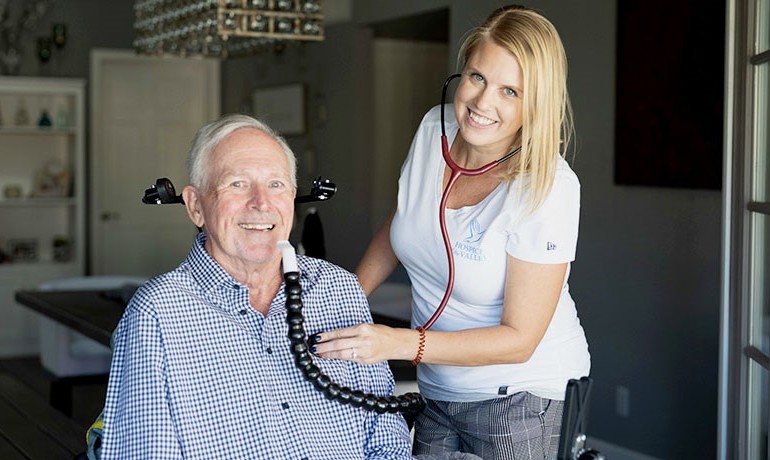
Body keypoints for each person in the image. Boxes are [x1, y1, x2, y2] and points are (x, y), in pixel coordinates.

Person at [312, 5, 590, 460]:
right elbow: (404, 223)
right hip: (439, 388)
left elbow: (520, 339)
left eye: (510, 91)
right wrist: (345, 297)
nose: (483, 103)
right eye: (477, 77)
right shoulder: (433, 129)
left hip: (522, 398)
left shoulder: (550, 186)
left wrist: (396, 342)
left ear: (535, 103)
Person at [100, 114, 415, 459]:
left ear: (293, 198)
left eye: (276, 185)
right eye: (237, 184)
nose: (261, 203)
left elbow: (387, 434)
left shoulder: (338, 288)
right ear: (195, 206)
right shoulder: (158, 312)